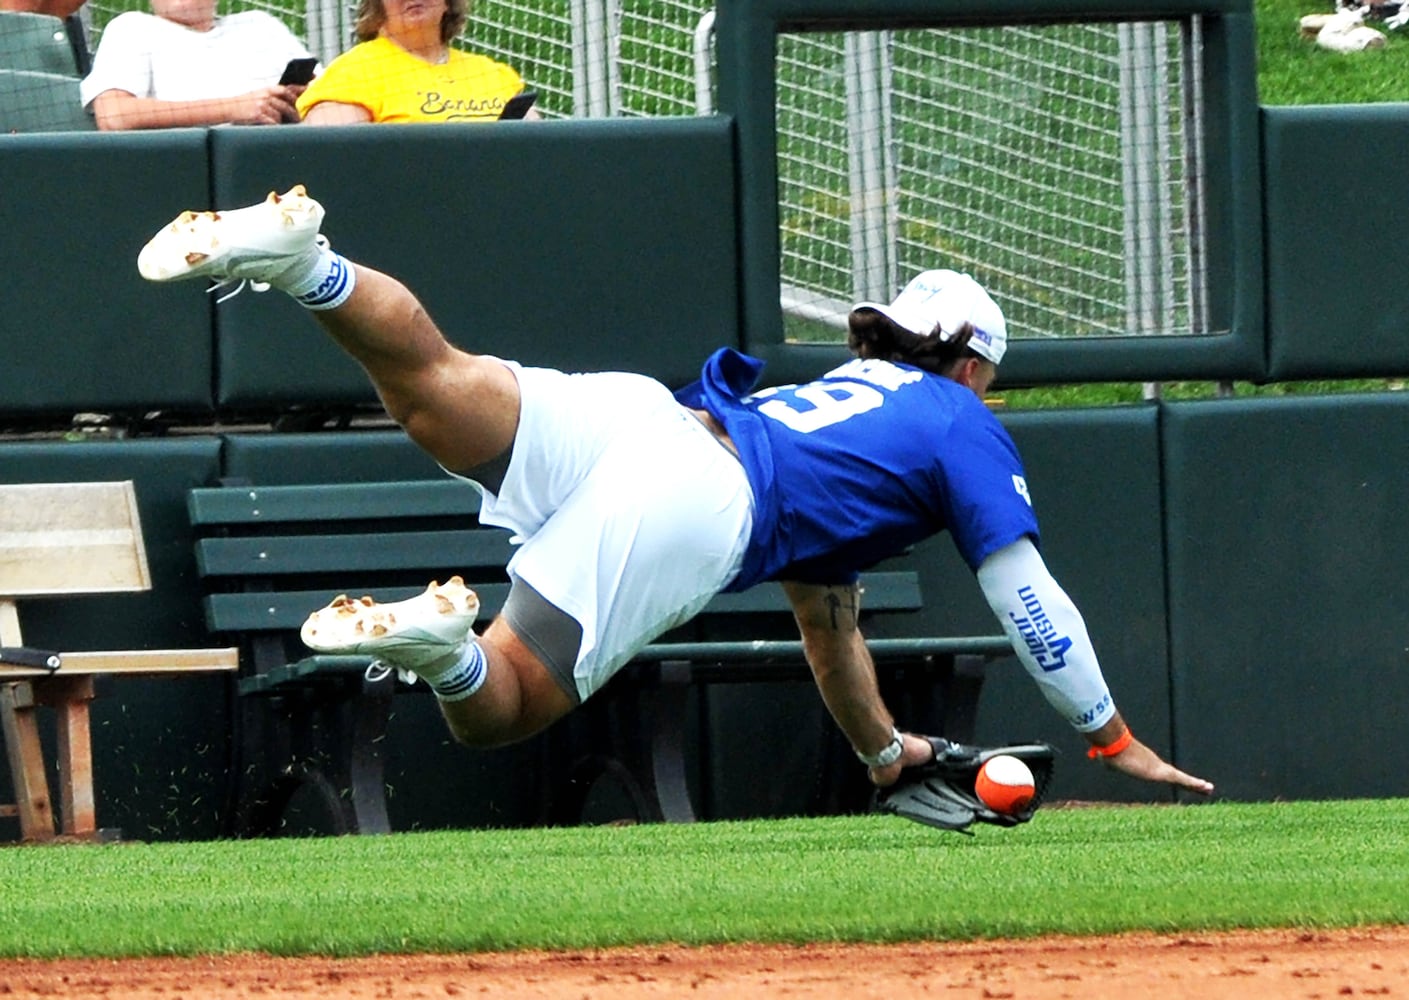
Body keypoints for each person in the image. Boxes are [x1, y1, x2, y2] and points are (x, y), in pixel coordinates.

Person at [135, 185, 1214, 797]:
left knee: (432, 382)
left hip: (650, 416)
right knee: (499, 705)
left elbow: (826, 626)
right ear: (974, 366)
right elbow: (1028, 596)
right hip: (699, 495)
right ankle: (440, 642)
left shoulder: (845, 391)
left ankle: (304, 262)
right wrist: (1108, 733)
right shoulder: (959, 422)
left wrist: (886, 755)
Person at [79, 0, 314, 130]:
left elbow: (324, 91)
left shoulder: (262, 26)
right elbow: (114, 115)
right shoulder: (133, 28)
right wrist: (235, 108)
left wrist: (303, 98)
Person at [297, 0, 538, 125]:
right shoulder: (352, 73)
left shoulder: (491, 73)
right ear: (378, 5)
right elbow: (328, 164)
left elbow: (539, 154)